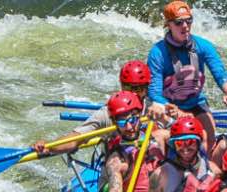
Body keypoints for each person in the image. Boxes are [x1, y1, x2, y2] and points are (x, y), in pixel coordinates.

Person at [146, 0, 227, 150]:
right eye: (179, 22)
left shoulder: (203, 45)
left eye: (189, 21)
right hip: (168, 106)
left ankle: (205, 169)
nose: (185, 26)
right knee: (166, 141)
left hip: (196, 103)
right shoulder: (157, 53)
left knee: (207, 139)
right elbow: (154, 93)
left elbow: (219, 72)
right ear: (168, 24)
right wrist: (177, 112)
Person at [32, 60, 168, 155]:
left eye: (138, 88)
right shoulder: (107, 113)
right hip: (119, 167)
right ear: (121, 86)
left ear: (146, 89)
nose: (132, 93)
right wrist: (49, 146)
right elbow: (75, 139)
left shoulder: (155, 109)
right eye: (128, 87)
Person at [97, 91, 165, 192]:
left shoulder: (158, 136)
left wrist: (166, 114)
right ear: (114, 123)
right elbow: (115, 188)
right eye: (122, 123)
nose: (129, 127)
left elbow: (192, 135)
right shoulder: (117, 159)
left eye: (133, 120)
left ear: (140, 116)